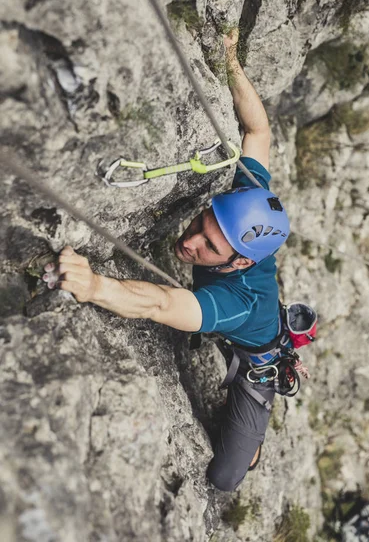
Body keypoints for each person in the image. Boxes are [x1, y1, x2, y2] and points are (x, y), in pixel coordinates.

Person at [43, 28, 290, 491]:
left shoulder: (237, 300)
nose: (191, 242)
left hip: (258, 356)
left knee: (224, 478)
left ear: (238, 263)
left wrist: (94, 286)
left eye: (209, 248)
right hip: (254, 310)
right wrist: (231, 62)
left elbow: (160, 304)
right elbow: (258, 130)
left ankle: (252, 440)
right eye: (201, 223)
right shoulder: (247, 199)